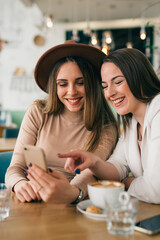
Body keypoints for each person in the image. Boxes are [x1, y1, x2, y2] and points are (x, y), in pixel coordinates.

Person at [5, 40, 118, 204]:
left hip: (73, 204)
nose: (72, 92)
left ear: (92, 84)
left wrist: (72, 193)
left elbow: (90, 174)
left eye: (80, 82)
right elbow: (15, 168)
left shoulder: (106, 126)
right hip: (33, 202)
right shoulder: (38, 112)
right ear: (54, 87)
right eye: (63, 84)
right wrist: (20, 184)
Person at [58, 48, 160, 204]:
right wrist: (93, 162)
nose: (109, 94)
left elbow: (156, 190)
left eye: (117, 82)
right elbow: (118, 166)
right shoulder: (131, 122)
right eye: (105, 86)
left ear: (139, 77)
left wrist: (127, 183)